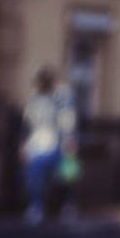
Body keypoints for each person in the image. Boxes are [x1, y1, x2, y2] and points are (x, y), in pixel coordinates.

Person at [21, 67, 77, 224]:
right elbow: (27, 123)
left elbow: (67, 120)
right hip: (37, 143)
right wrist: (24, 144)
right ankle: (36, 206)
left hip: (57, 141)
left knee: (67, 173)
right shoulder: (34, 98)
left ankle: (68, 205)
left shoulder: (62, 97)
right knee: (33, 177)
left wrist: (68, 141)